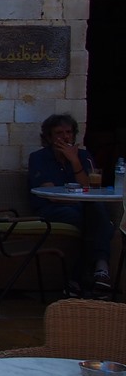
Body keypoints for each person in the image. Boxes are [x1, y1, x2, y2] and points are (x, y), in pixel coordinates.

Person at [27, 113, 113, 296]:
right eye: (59, 133)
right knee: (95, 219)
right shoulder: (38, 158)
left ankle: (84, 277)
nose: (65, 137)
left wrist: (74, 161)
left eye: (68, 132)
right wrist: (82, 198)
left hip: (81, 208)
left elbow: (89, 187)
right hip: (51, 210)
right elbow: (53, 195)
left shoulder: (83, 156)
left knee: (95, 210)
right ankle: (97, 269)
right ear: (49, 137)